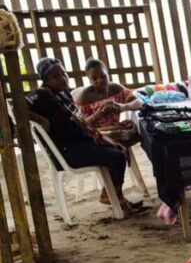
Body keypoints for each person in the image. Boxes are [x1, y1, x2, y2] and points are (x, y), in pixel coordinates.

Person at [25, 57, 143, 216]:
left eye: (63, 73)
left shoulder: (62, 95)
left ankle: (113, 195)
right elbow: (18, 107)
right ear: (45, 80)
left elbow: (79, 122)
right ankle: (114, 197)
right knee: (117, 156)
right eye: (55, 76)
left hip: (81, 143)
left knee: (120, 148)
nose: (62, 78)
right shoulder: (42, 95)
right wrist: (41, 120)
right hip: (67, 152)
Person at [73, 58, 143, 138]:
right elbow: (80, 125)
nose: (100, 80)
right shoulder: (85, 97)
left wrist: (122, 107)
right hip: (96, 134)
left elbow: (139, 102)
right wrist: (98, 115)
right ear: (89, 80)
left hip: (115, 129)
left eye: (103, 76)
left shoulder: (115, 88)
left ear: (108, 74)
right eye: (94, 78)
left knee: (135, 130)